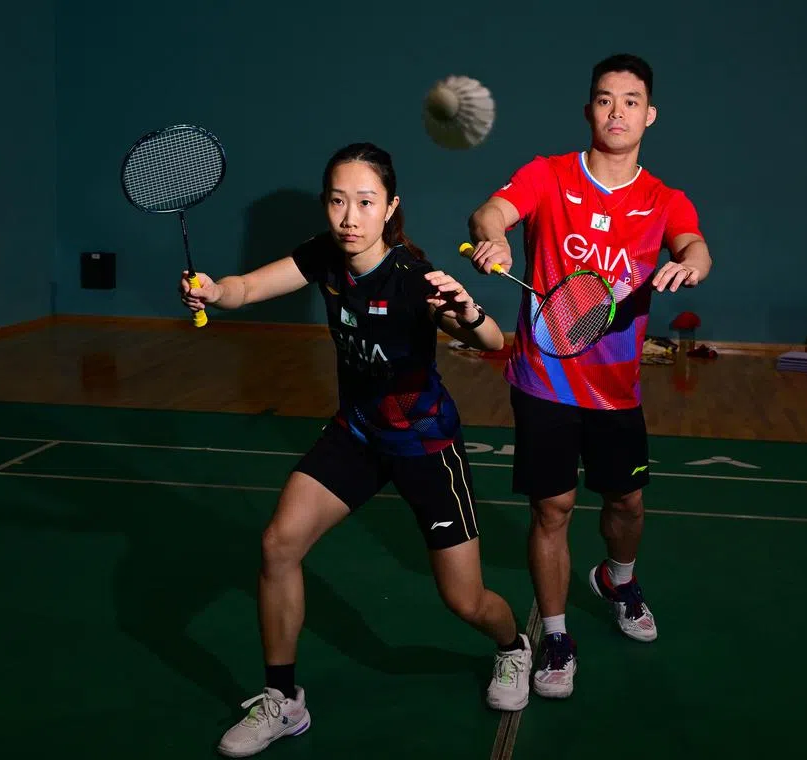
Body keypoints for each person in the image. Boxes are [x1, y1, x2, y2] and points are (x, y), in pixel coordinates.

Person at [179, 142, 533, 757]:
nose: (350, 216)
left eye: (365, 202)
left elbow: (490, 340)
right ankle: (284, 700)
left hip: (426, 445)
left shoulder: (413, 276)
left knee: (465, 600)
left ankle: (512, 648)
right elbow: (247, 287)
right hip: (360, 432)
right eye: (339, 201)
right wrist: (214, 291)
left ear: (389, 206)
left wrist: (468, 309)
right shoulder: (324, 256)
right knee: (277, 544)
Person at [465, 53, 713, 698]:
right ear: (589, 110)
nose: (617, 112)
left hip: (614, 388)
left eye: (631, 101)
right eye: (605, 99)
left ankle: (619, 579)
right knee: (553, 508)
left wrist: (689, 264)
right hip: (544, 379)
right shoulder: (548, 176)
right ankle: (555, 632)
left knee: (625, 503)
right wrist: (490, 236)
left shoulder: (664, 199)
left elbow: (695, 246)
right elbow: (492, 211)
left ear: (649, 115)